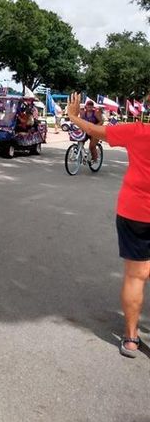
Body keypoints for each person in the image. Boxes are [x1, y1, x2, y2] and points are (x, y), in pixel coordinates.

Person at [67, 92, 150, 358]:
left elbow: (96, 131)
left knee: (136, 276)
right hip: (135, 211)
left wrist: (72, 116)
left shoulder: (138, 132)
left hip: (135, 211)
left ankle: (131, 338)